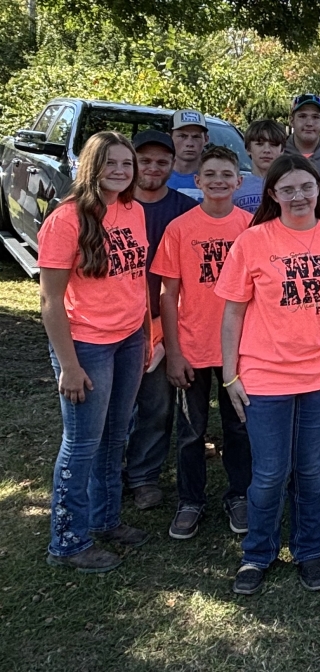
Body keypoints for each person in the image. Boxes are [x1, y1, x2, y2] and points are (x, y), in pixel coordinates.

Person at [215, 154, 320, 595]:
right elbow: (232, 313)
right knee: (268, 473)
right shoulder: (253, 241)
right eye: (288, 189)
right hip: (264, 376)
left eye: (306, 187)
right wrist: (230, 374)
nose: (298, 196)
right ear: (273, 195)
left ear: (319, 190)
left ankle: (308, 550)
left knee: (310, 471)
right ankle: (257, 554)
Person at [38, 131, 151, 572]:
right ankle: (67, 541)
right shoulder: (67, 220)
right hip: (87, 344)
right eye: (111, 163)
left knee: (115, 435)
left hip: (129, 339)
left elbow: (136, 277)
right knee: (82, 442)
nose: (121, 171)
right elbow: (49, 301)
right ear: (92, 166)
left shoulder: (133, 210)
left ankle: (106, 520)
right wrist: (68, 365)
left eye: (127, 163)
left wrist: (146, 336)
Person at [151, 146, 253, 541]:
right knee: (192, 430)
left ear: (238, 181)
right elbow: (166, 294)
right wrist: (173, 351)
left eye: (226, 175)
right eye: (210, 174)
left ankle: (239, 495)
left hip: (238, 350)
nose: (218, 181)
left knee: (238, 428)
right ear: (197, 181)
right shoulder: (181, 228)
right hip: (191, 345)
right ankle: (190, 500)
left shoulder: (249, 227)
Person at [123, 130, 198, 511]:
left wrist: (171, 330)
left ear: (174, 165)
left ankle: (143, 476)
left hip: (162, 318)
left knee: (157, 405)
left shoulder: (184, 210)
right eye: (145, 160)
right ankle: (105, 474)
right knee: (111, 406)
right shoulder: (111, 206)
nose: (153, 168)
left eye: (161, 161)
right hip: (112, 321)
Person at [233, 119, 287, 214]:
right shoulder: (235, 186)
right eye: (260, 144)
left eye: (273, 145)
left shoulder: (290, 185)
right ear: (248, 149)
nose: (266, 150)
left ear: (282, 150)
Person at [166, 109, 208, 201]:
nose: (189, 143)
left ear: (206, 139)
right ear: (169, 138)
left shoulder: (218, 178)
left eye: (196, 137)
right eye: (182, 136)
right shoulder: (156, 176)